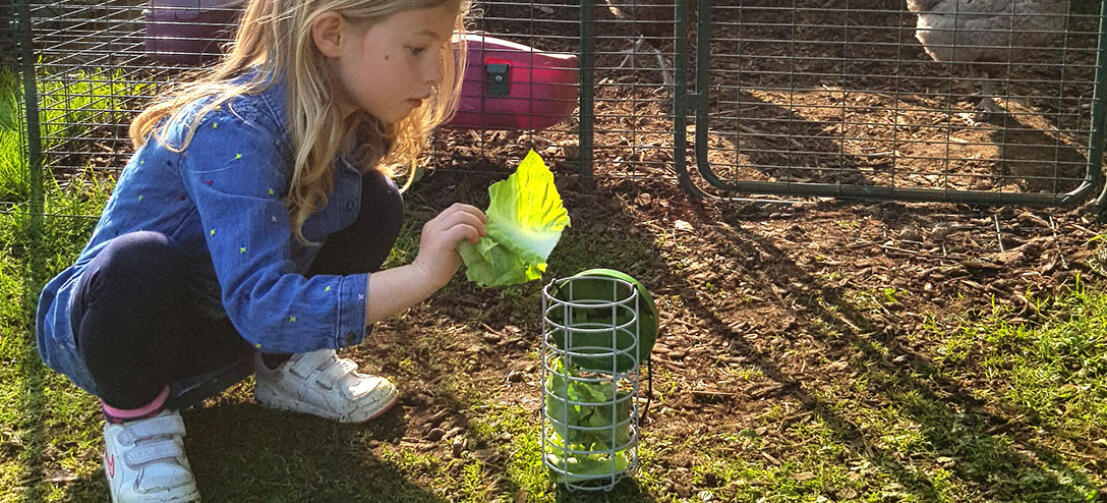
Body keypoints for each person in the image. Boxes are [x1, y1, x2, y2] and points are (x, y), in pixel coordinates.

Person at [34, 0, 484, 501]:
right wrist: (421, 275)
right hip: (119, 334)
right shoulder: (232, 128)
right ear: (331, 35)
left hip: (228, 327)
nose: (436, 73)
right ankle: (136, 422)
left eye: (444, 49)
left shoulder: (350, 121)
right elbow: (262, 303)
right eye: (417, 48)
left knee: (376, 200)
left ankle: (285, 367)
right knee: (137, 263)